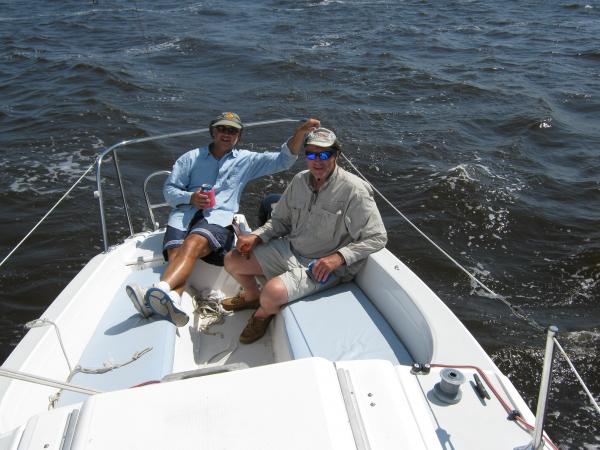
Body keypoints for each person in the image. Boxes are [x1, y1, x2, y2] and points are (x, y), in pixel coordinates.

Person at [126, 112, 322, 327]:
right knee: (176, 256)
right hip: (183, 215)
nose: (226, 133)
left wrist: (300, 133)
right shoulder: (191, 158)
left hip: (217, 219)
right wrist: (190, 197)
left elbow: (283, 160)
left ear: (238, 136)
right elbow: (169, 190)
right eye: (222, 129)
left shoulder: (246, 160)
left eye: (233, 130)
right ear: (213, 131)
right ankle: (174, 299)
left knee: (192, 243)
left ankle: (159, 290)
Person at [223, 127, 388, 344]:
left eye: (324, 154)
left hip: (323, 265)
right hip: (291, 249)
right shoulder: (300, 180)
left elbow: (377, 237)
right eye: (311, 154)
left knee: (271, 294)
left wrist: (338, 258)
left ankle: (263, 314)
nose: (317, 161)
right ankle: (252, 296)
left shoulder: (354, 190)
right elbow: (280, 221)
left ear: (336, 155)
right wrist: (257, 236)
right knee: (232, 260)